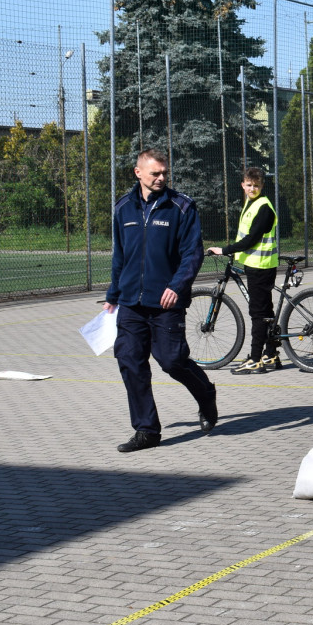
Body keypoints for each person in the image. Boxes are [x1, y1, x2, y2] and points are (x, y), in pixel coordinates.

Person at [104, 148, 217, 453]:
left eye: (165, 172)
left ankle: (205, 393)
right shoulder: (123, 208)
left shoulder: (181, 207)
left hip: (167, 301)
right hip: (130, 302)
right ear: (138, 173)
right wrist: (112, 296)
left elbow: (192, 254)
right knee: (130, 361)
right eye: (155, 173)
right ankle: (146, 430)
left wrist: (177, 287)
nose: (161, 178)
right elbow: (120, 256)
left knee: (172, 361)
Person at [207, 166, 281, 374]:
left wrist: (225, 250)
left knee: (257, 314)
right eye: (249, 185)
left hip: (261, 266)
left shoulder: (263, 207)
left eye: (256, 185)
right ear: (243, 185)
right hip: (256, 265)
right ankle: (271, 354)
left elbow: (251, 239)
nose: (252, 188)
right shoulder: (252, 203)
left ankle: (255, 359)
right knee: (265, 312)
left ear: (262, 186)